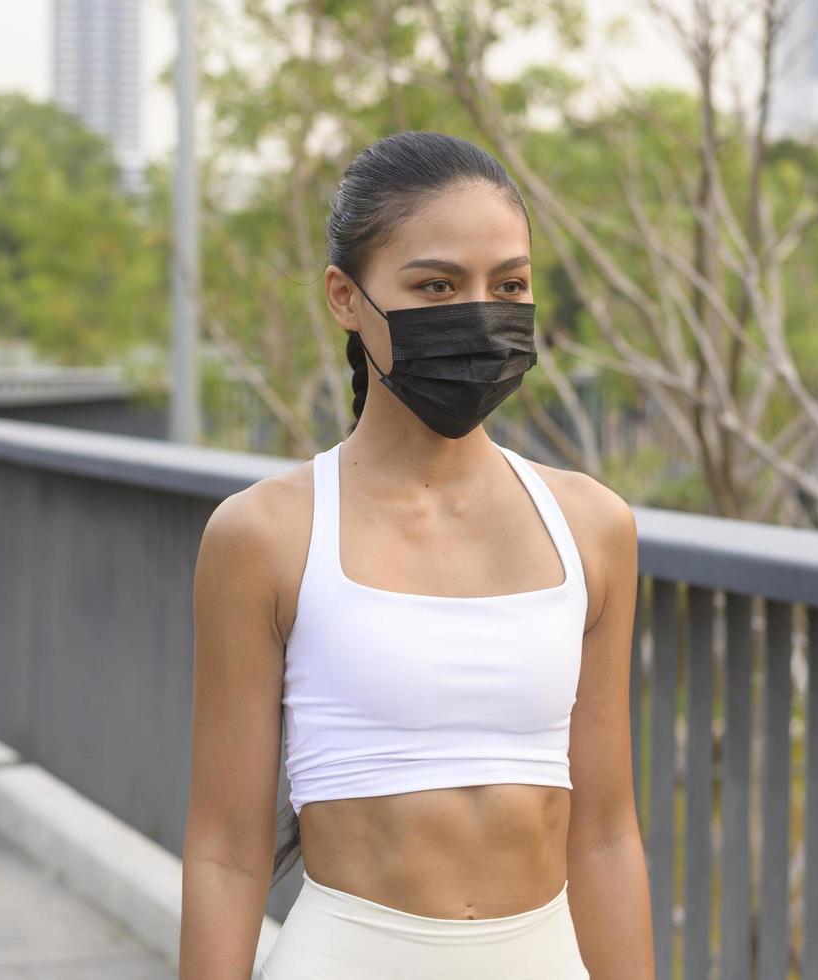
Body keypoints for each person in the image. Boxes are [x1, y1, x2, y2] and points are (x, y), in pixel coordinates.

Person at [179, 131, 653, 979]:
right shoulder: (265, 536)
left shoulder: (592, 526)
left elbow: (607, 836)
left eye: (508, 284)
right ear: (344, 298)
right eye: (436, 285)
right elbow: (225, 851)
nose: (479, 313)